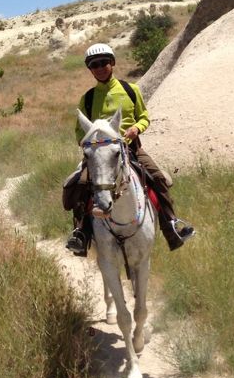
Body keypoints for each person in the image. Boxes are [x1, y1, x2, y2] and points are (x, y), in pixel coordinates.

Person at [64, 42, 194, 256]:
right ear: (90, 69)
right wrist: (87, 143)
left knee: (158, 178)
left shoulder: (130, 90)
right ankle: (80, 233)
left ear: (112, 63)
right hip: (99, 155)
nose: (100, 67)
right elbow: (80, 130)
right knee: (77, 186)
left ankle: (172, 226)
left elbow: (144, 117)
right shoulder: (87, 98)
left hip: (130, 148)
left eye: (104, 62)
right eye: (94, 65)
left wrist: (136, 128)